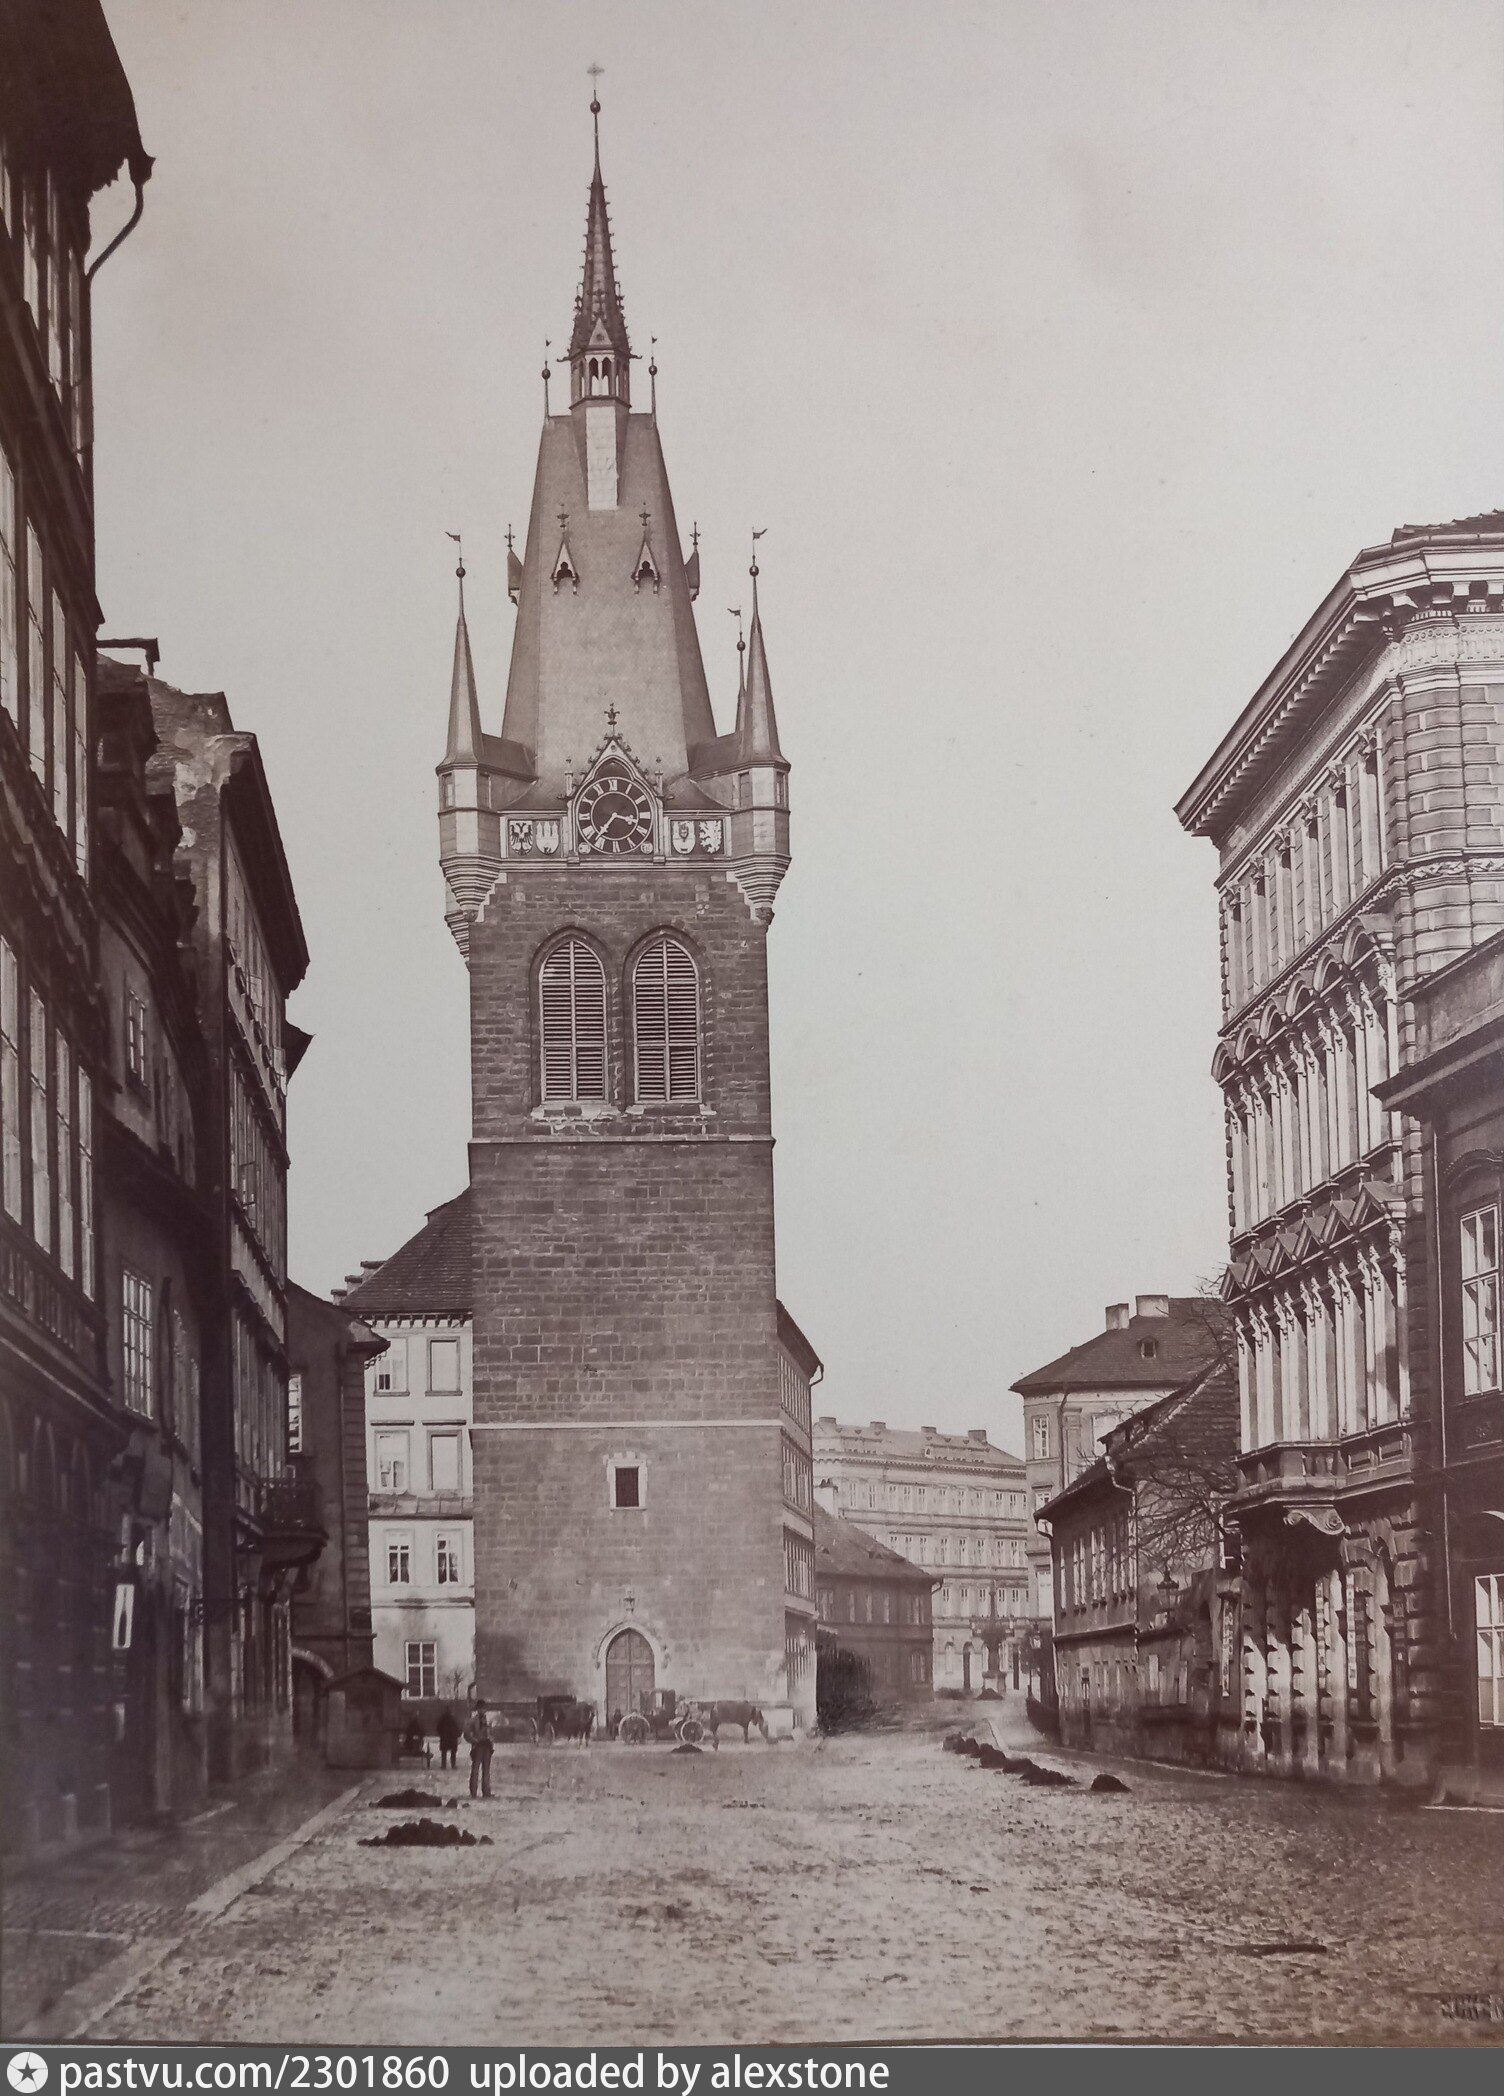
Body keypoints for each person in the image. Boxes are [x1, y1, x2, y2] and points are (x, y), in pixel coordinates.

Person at [465, 1704, 494, 1799]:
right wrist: (474, 1740)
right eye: (481, 1708)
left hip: (487, 1746)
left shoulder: (487, 1720)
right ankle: (473, 1791)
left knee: (486, 1770)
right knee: (475, 1770)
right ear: (478, 1709)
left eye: (484, 1708)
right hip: (478, 1747)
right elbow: (466, 1734)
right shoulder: (473, 1721)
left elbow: (491, 1732)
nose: (483, 1710)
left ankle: (486, 1791)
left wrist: (491, 1740)